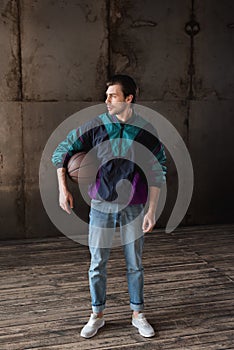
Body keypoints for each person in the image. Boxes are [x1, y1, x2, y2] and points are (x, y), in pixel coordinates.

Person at [52, 75, 167, 338]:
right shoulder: (97, 125)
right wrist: (63, 189)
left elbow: (157, 169)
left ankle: (138, 314)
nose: (107, 100)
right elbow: (62, 151)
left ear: (129, 98)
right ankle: (97, 315)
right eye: (107, 95)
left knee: (134, 263)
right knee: (97, 263)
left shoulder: (146, 130)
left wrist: (151, 210)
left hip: (134, 207)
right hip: (101, 204)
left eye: (113, 95)